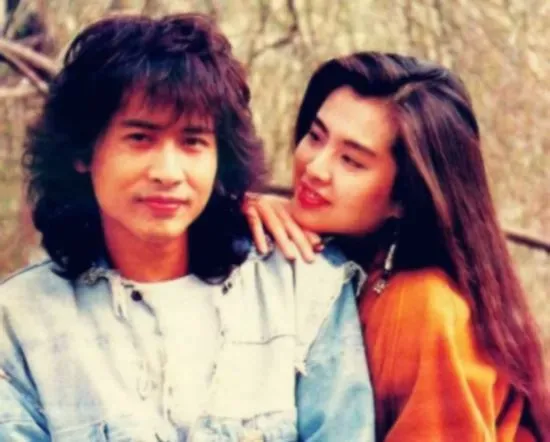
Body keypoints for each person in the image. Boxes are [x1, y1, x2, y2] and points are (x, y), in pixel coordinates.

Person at [0, 14, 375, 441]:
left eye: (192, 142)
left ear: (219, 158)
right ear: (83, 153)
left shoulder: (299, 286)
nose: (168, 172)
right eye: (140, 138)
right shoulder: (20, 320)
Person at [244, 52, 549, 441]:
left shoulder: (426, 307)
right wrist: (234, 211)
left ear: (404, 197)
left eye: (351, 161)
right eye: (316, 136)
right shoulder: (343, 254)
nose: (315, 167)